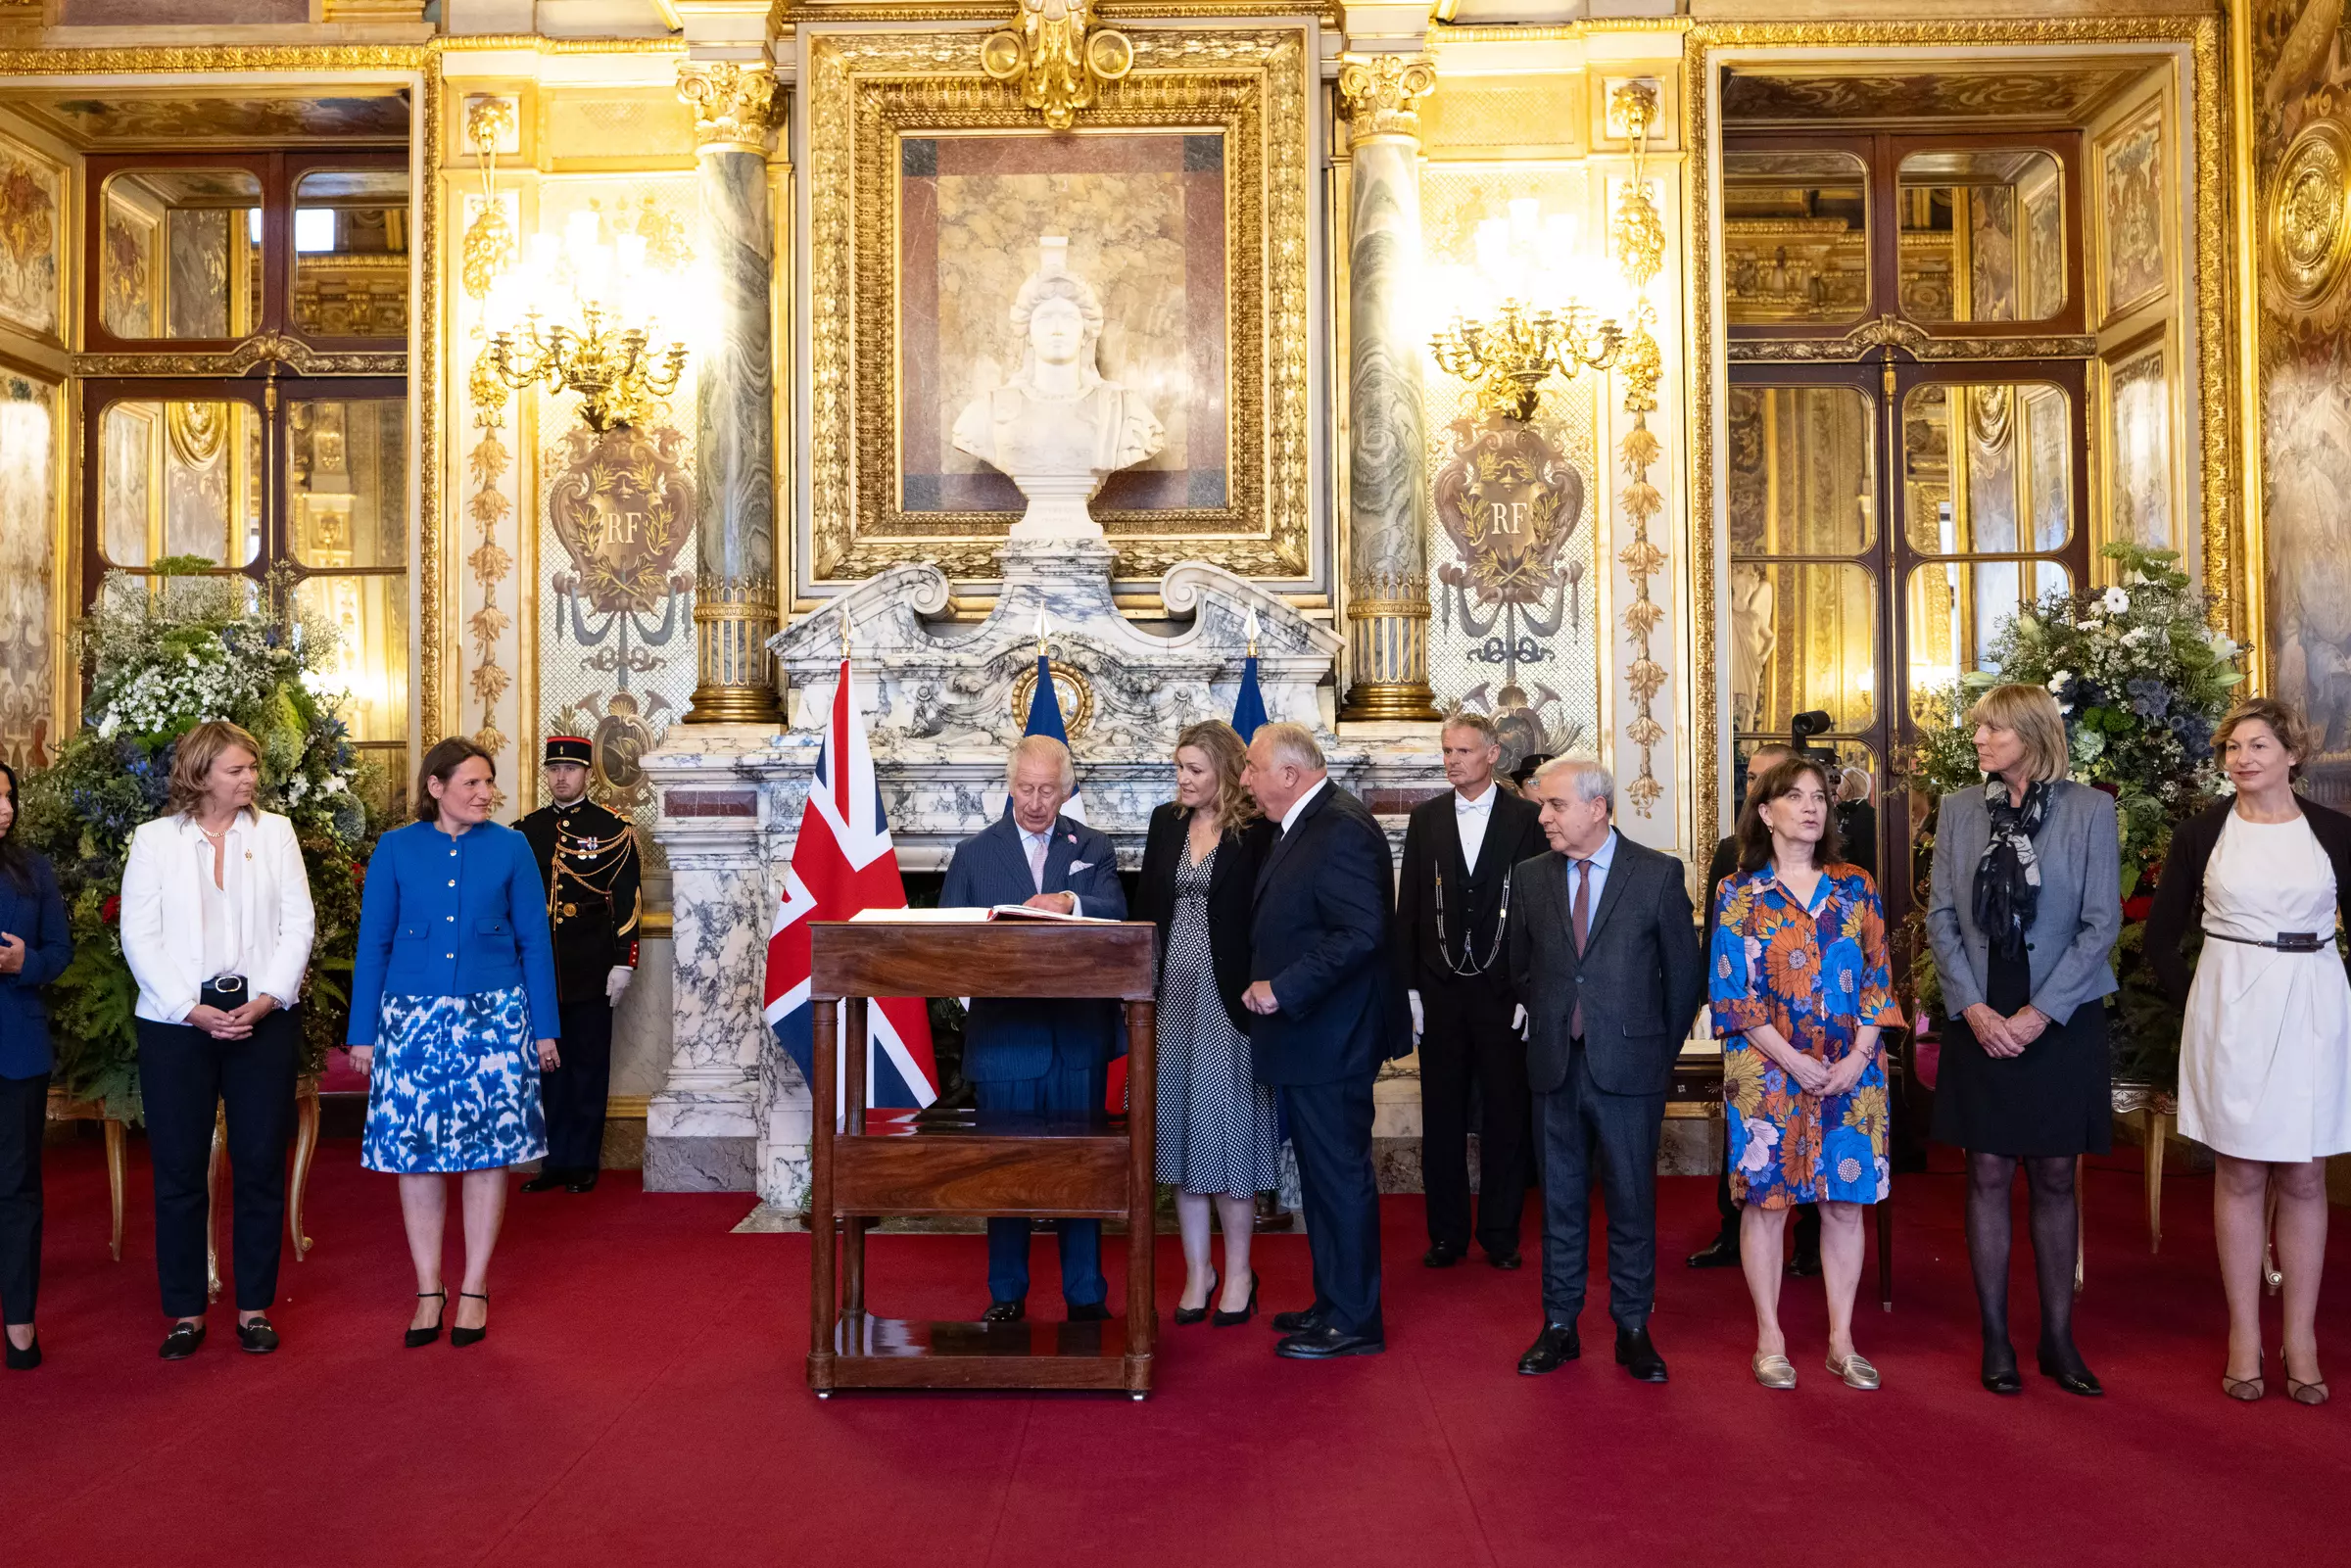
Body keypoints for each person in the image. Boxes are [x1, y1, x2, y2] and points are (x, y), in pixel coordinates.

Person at [2147, 697, 2351, 1404]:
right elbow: (2160, 939)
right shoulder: (2201, 832)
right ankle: (2244, 1334)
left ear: (2292, 754)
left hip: (2314, 1003)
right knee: (2237, 1169)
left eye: (2258, 745)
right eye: (2233, 747)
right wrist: (2204, 1003)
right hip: (2230, 1008)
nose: (2243, 758)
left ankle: (2301, 1337)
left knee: (2305, 1171)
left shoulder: (2335, 832)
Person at [1927, 683, 2119, 1398]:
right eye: (1979, 728)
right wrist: (1973, 1008)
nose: (1980, 739)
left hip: (2060, 1017)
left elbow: (2101, 924)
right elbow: (1941, 917)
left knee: (2057, 1174)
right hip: (1980, 1013)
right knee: (1985, 1171)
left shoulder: (2090, 810)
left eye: (1994, 729)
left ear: (2033, 736)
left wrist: (2040, 1013)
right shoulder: (1959, 809)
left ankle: (2059, 1339)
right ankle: (1996, 1339)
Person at [348, 738, 560, 1350]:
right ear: (435, 787)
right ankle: (427, 1289)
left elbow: (534, 943)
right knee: (416, 1157)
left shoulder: (512, 848)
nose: (485, 793)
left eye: (489, 782)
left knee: (489, 1155)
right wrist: (362, 1033)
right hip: (410, 1020)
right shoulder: (395, 848)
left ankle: (473, 1286)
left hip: (496, 1019)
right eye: (472, 783)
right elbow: (374, 945)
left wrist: (545, 1028)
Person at [119, 721, 315, 1361]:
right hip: (176, 1024)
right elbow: (139, 935)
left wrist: (268, 997)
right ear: (201, 774)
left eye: (252, 767)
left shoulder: (276, 832)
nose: (250, 778)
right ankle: (185, 1312)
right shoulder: (154, 841)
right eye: (237, 769)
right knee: (179, 1169)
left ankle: (254, 1308)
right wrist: (190, 1009)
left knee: (259, 1162)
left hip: (264, 1016)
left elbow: (298, 924)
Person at [1509, 757, 1703, 1383]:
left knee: (1632, 1201)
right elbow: (1521, 969)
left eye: (1555, 805)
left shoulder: (1656, 874)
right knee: (1559, 1203)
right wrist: (1555, 1022)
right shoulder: (1531, 876)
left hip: (1630, 1068)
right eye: (1543, 804)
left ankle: (1632, 1327)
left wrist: (1654, 1052)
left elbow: (1684, 978)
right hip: (1554, 1066)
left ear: (1597, 808)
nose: (1543, 816)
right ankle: (1559, 1325)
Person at [1710, 757, 1900, 1391]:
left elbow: (1878, 981)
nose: (1812, 806)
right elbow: (1733, 994)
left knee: (1845, 1205)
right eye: (1795, 796)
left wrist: (1856, 1058)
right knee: (1767, 1204)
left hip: (1853, 1072)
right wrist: (1793, 1061)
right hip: (1767, 1071)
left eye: (1819, 796)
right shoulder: (1739, 892)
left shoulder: (1856, 885)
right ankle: (1770, 1337)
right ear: (1766, 812)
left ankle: (1842, 1341)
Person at [940, 735, 1128, 1322]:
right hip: (1005, 1042)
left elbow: (1117, 913)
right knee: (1008, 1169)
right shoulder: (973, 854)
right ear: (1010, 785)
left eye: (1048, 790)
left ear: (1066, 790)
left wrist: (1070, 900)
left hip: (1077, 1039)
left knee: (1080, 1170)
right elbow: (944, 945)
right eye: (1026, 788)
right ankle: (1006, 1294)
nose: (1036, 802)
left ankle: (1086, 1295)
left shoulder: (1092, 846)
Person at [1242, 722, 1400, 1358]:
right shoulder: (1305, 822)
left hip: (1333, 1037)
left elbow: (1361, 933)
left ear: (1289, 773)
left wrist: (1283, 987)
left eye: (1253, 768)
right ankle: (1334, 1301)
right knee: (1321, 1176)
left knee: (1337, 1177)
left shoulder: (1339, 827)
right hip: (1312, 1040)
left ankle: (1355, 1319)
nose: (1245, 780)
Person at [1136, 721, 1278, 1326]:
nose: (1183, 780)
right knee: (1178, 1141)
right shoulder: (1165, 824)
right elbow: (1146, 910)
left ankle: (1239, 1271)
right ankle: (1199, 1271)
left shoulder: (1258, 832)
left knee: (1226, 1142)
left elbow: (1271, 920)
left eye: (1194, 769)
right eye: (1179, 768)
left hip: (1228, 1003)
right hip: (1171, 1002)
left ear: (1224, 769)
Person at [1395, 710, 1545, 1270]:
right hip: (1439, 992)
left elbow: (1540, 911)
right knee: (1442, 1115)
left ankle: (1501, 1234)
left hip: (1504, 993)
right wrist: (1409, 990)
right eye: (1447, 751)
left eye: (1462, 751)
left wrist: (1531, 991)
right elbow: (1410, 906)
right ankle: (1447, 1234)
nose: (1452, 761)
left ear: (1493, 754)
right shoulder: (1427, 818)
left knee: (1507, 1113)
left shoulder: (1527, 818)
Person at [1691, 741, 1822, 1276]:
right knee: (1750, 1146)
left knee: (1818, 1142)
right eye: (1751, 778)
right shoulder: (1732, 856)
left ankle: (1810, 1242)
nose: (1754, 787)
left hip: (1820, 1031)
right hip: (1755, 1036)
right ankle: (1733, 1232)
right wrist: (1711, 1001)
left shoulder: (1838, 865)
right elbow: (1716, 941)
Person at [517, 736, 641, 1195]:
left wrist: (624, 962)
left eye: (570, 769)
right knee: (547, 1067)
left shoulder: (611, 828)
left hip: (592, 965)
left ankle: (583, 1161)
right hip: (540, 968)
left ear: (588, 774)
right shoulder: (525, 831)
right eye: (554, 769)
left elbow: (628, 900)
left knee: (588, 1065)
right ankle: (554, 1161)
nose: (561, 777)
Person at [0, 759, 70, 1370]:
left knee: (17, 1187)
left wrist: (28, 964)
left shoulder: (34, 870)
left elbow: (60, 951)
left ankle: (19, 1319)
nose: (5, 809)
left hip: (17, 1050)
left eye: (8, 796)